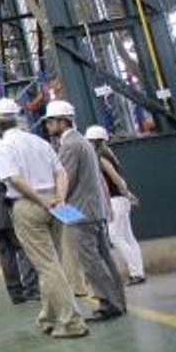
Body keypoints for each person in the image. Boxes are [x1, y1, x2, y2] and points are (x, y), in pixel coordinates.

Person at [0, 98, 88, 338]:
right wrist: (59, 199)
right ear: (18, 117)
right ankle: (49, 316)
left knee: (46, 265)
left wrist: (40, 200)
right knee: (52, 261)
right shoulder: (39, 142)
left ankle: (72, 322)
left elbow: (14, 179)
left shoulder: (3, 147)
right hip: (55, 203)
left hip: (28, 205)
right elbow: (61, 173)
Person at [42, 101, 126, 321]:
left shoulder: (70, 145)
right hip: (91, 210)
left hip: (79, 212)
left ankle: (108, 304)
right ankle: (118, 301)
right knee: (104, 257)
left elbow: (65, 179)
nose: (48, 125)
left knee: (91, 260)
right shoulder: (82, 142)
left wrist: (49, 201)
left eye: (51, 121)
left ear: (63, 121)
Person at [0, 136, 39, 304]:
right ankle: (31, 288)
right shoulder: (2, 167)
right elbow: (12, 190)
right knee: (25, 249)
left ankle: (15, 293)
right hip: (9, 218)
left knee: (6, 255)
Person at [85, 125, 145, 285]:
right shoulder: (109, 154)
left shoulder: (100, 156)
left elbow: (114, 178)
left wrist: (125, 194)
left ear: (94, 141)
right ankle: (138, 272)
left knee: (116, 237)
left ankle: (135, 273)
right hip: (121, 199)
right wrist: (128, 194)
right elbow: (119, 178)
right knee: (128, 237)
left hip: (114, 200)